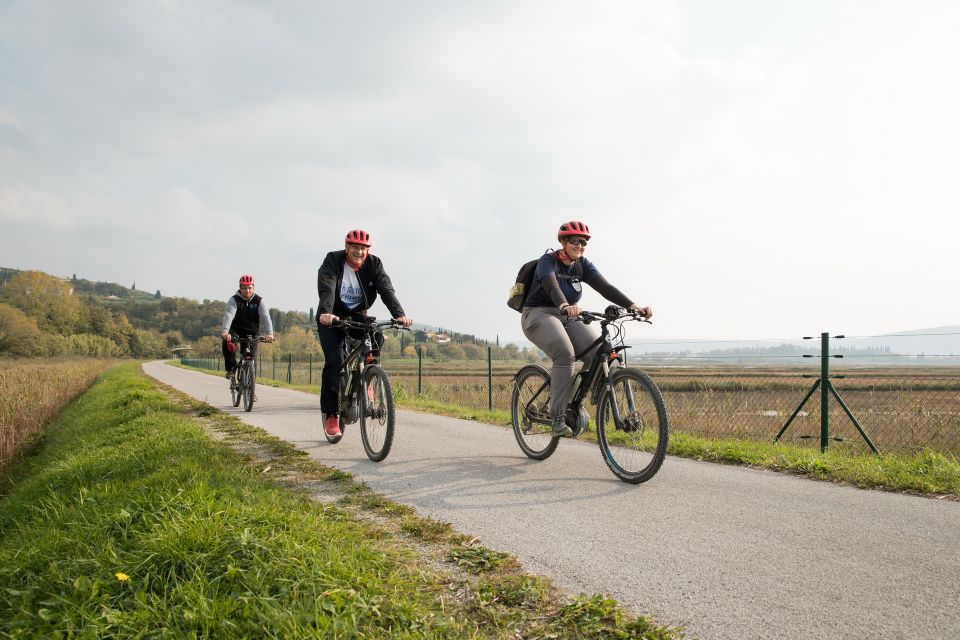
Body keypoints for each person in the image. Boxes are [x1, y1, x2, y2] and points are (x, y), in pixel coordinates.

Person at [521, 221, 652, 437]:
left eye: (583, 242)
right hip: (539, 313)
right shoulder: (548, 261)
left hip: (568, 315)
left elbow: (606, 288)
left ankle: (574, 401)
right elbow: (551, 285)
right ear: (563, 242)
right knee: (565, 354)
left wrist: (633, 306)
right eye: (574, 241)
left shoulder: (583, 265)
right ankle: (558, 418)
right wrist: (564, 305)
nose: (579, 245)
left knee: (596, 352)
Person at [316, 229, 414, 439]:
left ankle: (368, 379)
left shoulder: (374, 264)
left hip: (357, 315)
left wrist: (399, 315)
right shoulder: (333, 260)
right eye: (355, 247)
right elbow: (327, 286)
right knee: (334, 361)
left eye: (363, 248)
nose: (359, 252)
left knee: (376, 336)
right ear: (347, 247)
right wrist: (326, 312)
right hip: (332, 316)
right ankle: (331, 415)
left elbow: (386, 289)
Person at [221, 274, 275, 385]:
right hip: (235, 330)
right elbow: (229, 315)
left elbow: (265, 317)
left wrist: (269, 333)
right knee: (228, 342)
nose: (247, 290)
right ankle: (231, 369)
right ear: (240, 288)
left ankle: (251, 389)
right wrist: (225, 331)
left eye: (250, 287)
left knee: (252, 359)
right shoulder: (234, 300)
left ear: (253, 288)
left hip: (252, 332)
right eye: (244, 288)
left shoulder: (259, 301)